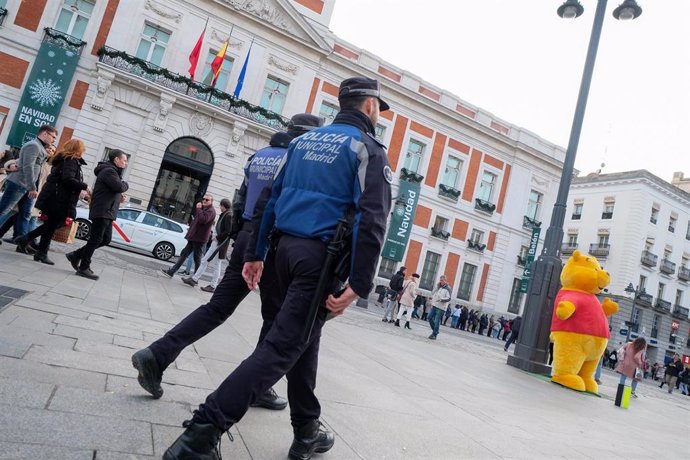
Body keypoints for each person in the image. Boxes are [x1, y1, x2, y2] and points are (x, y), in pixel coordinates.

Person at [161, 77, 391, 460]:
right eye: (379, 110)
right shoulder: (366, 149)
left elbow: (269, 199)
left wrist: (256, 253)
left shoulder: (301, 143)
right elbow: (373, 219)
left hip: (281, 252)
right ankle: (204, 430)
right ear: (369, 106)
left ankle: (306, 430)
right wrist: (360, 282)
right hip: (318, 261)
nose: (379, 117)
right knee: (281, 347)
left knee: (304, 337)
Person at [131, 113, 323, 409]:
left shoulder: (258, 157)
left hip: (246, 237)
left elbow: (241, 198)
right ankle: (258, 386)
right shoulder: (297, 158)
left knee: (217, 307)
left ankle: (157, 354)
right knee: (274, 320)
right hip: (271, 243)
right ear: (307, 134)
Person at [15, 139, 89, 264]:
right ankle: (38, 250)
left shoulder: (64, 160)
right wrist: (84, 185)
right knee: (52, 225)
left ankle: (27, 241)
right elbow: (68, 179)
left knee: (52, 225)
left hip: (54, 197)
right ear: (79, 149)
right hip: (58, 199)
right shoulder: (71, 161)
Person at [65, 149, 129, 280]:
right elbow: (119, 187)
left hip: (108, 211)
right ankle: (83, 267)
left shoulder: (113, 172)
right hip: (103, 211)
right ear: (116, 160)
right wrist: (125, 185)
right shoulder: (109, 171)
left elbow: (113, 189)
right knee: (95, 239)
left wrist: (119, 197)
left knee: (105, 239)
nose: (126, 163)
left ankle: (76, 255)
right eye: (124, 160)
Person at [182, 197, 233, 292]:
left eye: (220, 205)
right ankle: (194, 279)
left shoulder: (228, 215)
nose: (220, 207)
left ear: (223, 206)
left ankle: (212, 285)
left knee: (216, 264)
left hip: (219, 244)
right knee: (205, 260)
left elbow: (228, 231)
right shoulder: (226, 214)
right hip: (217, 243)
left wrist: (216, 238)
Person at [161, 194, 216, 277]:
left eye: (207, 200)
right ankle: (171, 272)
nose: (204, 200)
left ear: (211, 202)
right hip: (194, 237)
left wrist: (198, 209)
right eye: (203, 199)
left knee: (197, 258)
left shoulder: (211, 210)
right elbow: (196, 222)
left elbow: (203, 220)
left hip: (199, 238)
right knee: (184, 254)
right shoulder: (203, 209)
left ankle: (195, 278)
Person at [427, 276, 452, 340]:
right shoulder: (439, 287)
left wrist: (441, 299)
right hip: (435, 305)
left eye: (442, 280)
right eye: (440, 280)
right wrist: (431, 297)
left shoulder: (448, 288)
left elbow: (449, 298)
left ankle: (434, 334)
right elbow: (433, 293)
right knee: (429, 317)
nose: (441, 281)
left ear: (446, 281)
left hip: (441, 307)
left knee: (437, 320)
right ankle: (435, 331)